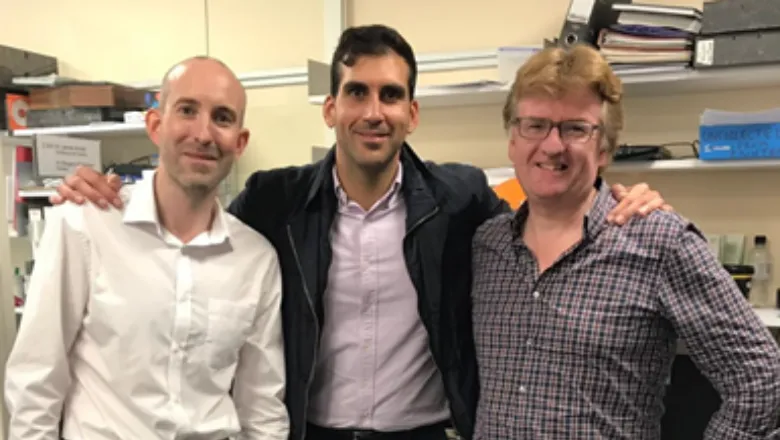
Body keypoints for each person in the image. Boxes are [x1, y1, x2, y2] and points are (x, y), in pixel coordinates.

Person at [49, 25, 670, 440]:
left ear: (412, 112)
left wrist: (615, 196)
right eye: (357, 93)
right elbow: (192, 233)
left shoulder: (459, 200)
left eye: (391, 95)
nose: (374, 111)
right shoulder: (276, 201)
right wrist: (111, 191)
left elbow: (546, 216)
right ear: (332, 108)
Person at [470, 44, 780, 439]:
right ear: (513, 140)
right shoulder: (486, 245)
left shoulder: (661, 244)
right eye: (534, 124)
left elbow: (760, 376)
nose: (552, 145)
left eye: (575, 128)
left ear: (604, 148)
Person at [5, 56, 289, 440]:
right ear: (155, 124)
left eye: (222, 118)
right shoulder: (85, 225)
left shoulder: (255, 260)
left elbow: (263, 407)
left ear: (239, 142)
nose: (204, 134)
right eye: (187, 110)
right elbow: (35, 382)